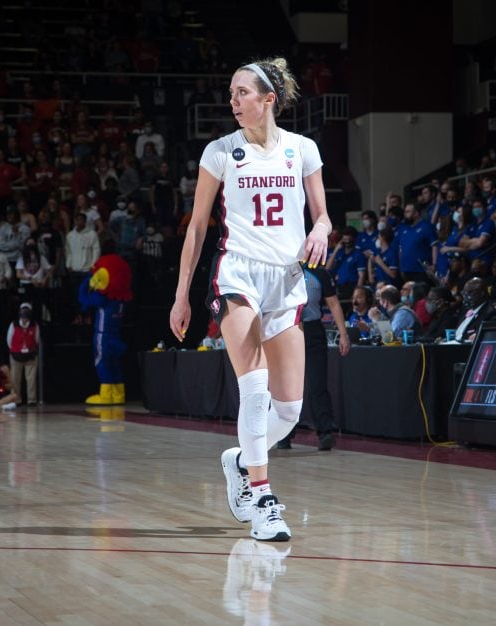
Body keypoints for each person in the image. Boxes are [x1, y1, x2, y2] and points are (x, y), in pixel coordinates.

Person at [169, 57, 329, 543]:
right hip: (238, 274)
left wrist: (321, 229)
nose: (233, 101)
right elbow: (197, 227)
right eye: (232, 93)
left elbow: (323, 215)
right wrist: (182, 295)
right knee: (255, 390)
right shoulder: (221, 152)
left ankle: (239, 460)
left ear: (268, 100)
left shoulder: (303, 150)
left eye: (242, 93)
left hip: (286, 280)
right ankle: (262, 498)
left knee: (289, 411)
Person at [277, 264, 350, 451]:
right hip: (288, 330)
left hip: (313, 330)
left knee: (317, 384)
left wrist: (343, 334)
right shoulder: (280, 269)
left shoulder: (318, 273)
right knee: (287, 386)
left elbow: (333, 303)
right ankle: (284, 433)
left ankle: (326, 432)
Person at [7, 302, 40, 405]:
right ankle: (16, 399)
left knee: (31, 379)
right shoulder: (14, 324)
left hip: (30, 355)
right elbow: (9, 340)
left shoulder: (35, 325)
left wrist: (30, 349)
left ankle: (31, 400)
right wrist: (15, 350)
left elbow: (36, 339)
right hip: (16, 355)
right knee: (15, 378)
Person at [454, 277, 496, 342]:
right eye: (464, 293)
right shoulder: (465, 310)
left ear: (481, 293)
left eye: (470, 293)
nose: (466, 296)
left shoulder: (489, 312)